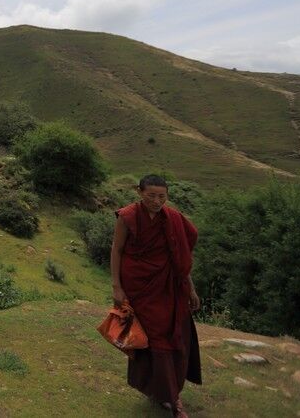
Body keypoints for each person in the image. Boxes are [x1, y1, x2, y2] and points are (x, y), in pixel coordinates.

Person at [111, 174, 202, 417]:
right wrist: (116, 287)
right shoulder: (127, 216)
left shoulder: (172, 219)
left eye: (161, 196)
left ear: (167, 196)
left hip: (170, 287)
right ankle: (172, 400)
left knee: (175, 337)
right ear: (139, 192)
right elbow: (117, 251)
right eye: (151, 195)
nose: (156, 201)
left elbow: (179, 259)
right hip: (140, 288)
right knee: (153, 340)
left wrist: (190, 288)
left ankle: (167, 392)